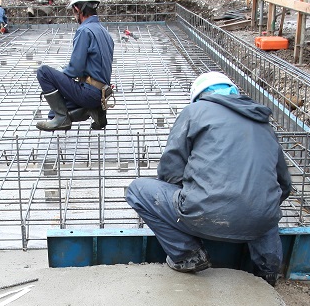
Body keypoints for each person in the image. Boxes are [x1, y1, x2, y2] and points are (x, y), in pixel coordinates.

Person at [124, 71, 293, 285]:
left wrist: (191, 196)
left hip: (203, 214)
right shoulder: (263, 124)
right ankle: (269, 270)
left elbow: (170, 170)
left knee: (137, 190)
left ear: (199, 96)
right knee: (263, 203)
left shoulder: (195, 111)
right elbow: (283, 184)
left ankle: (188, 255)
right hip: (259, 222)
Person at [34, 0, 114, 131]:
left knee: (44, 72)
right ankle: (96, 110)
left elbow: (75, 70)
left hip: (89, 93)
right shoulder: (104, 32)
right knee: (53, 113)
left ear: (77, 8)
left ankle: (63, 119)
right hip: (102, 94)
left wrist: (59, 75)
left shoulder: (84, 31)